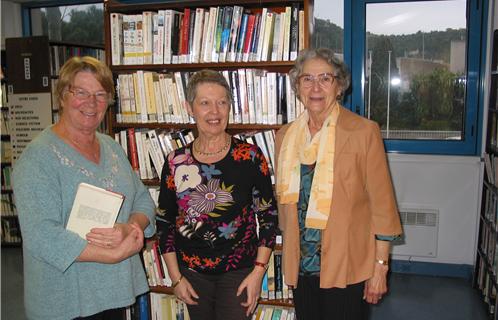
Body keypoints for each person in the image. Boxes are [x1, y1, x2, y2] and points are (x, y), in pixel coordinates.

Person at [12, 56, 156, 320]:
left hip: (113, 293)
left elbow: (143, 200)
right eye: (81, 92)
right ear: (62, 96)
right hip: (65, 301)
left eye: (100, 94)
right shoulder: (37, 158)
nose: (91, 103)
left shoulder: (111, 147)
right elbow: (42, 235)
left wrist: (130, 227)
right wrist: (112, 255)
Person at [275, 48, 402, 320]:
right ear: (297, 86)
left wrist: (380, 267)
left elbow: (383, 206)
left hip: (347, 264)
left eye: (325, 78)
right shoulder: (285, 137)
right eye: (307, 79)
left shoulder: (363, 131)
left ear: (339, 85)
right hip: (301, 264)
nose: (316, 87)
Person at [156, 69, 278, 320]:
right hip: (191, 273)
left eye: (222, 102)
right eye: (205, 103)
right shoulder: (175, 161)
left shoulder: (250, 157)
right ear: (190, 108)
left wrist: (258, 272)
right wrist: (175, 277)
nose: (215, 111)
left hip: (240, 272)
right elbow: (165, 222)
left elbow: (268, 218)